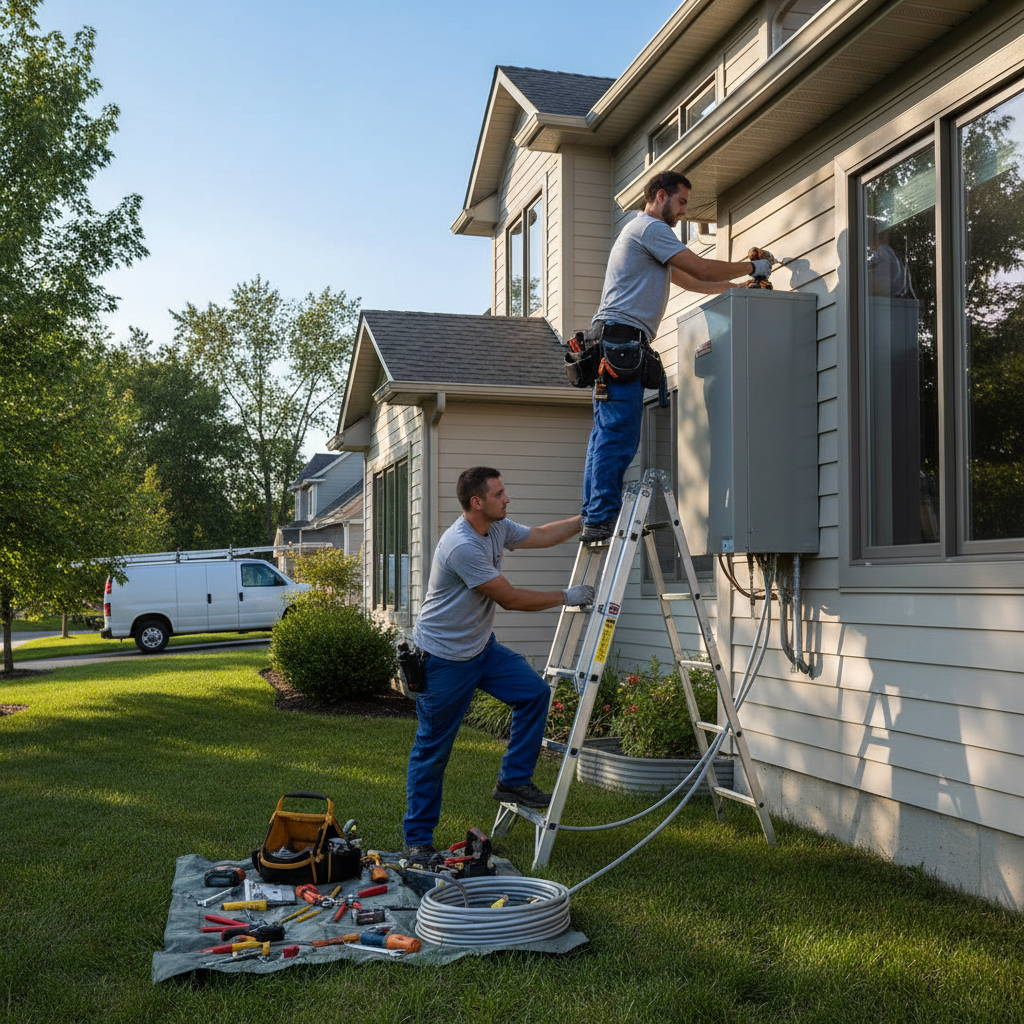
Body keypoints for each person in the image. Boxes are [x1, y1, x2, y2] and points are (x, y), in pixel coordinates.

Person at [402, 466, 595, 860]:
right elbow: (509, 599)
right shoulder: (462, 546)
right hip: (443, 659)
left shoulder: (497, 528)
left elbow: (541, 535)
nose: (507, 499)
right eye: (499, 494)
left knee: (533, 693)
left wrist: (586, 519)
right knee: (432, 750)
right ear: (477, 502)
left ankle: (513, 781)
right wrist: (566, 596)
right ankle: (417, 839)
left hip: (481, 649)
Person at [580, 169, 774, 542]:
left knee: (606, 433)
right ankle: (601, 517)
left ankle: (594, 515)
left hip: (615, 342)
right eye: (681, 202)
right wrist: (754, 266)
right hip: (621, 343)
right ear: (660, 196)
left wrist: (739, 286)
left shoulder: (644, 238)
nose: (684, 210)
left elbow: (692, 280)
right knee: (618, 435)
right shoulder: (651, 229)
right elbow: (700, 267)